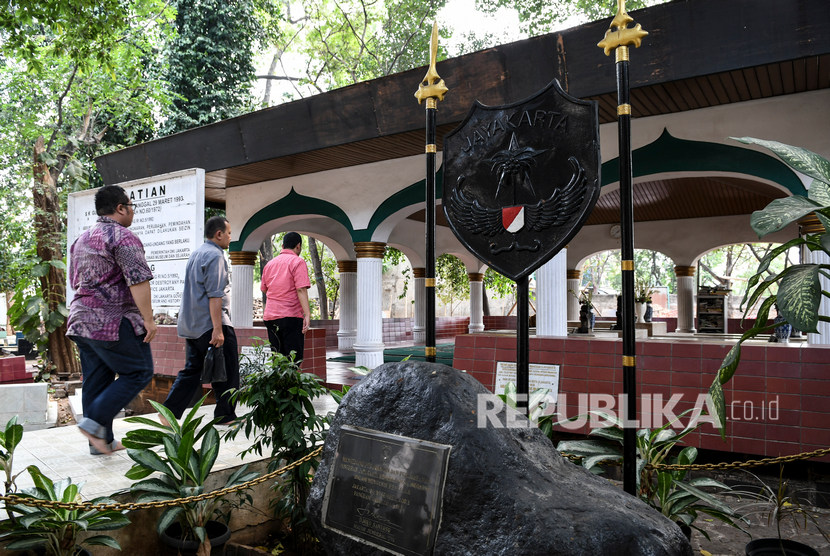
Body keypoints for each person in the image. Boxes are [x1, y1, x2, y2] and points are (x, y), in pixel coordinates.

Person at [66, 185, 156, 455]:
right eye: (131, 206)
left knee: (97, 377)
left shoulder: (81, 240)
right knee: (139, 371)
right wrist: (149, 321)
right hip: (112, 321)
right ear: (120, 208)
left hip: (80, 321)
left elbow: (74, 281)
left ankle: (101, 442)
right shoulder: (123, 237)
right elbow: (138, 280)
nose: (132, 212)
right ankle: (93, 423)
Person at [162, 216, 239, 425]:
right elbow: (215, 295)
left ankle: (168, 412)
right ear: (219, 234)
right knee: (229, 369)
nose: (231, 238)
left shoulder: (196, 254)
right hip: (211, 324)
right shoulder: (216, 256)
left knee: (192, 370)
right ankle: (225, 416)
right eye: (229, 233)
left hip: (191, 325)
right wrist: (218, 330)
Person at [261, 232, 311, 361]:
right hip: (290, 316)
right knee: (294, 359)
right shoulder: (297, 262)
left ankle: (280, 381)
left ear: (283, 245)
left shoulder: (269, 264)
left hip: (270, 317)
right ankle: (290, 382)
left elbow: (265, 289)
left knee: (278, 358)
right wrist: (307, 315)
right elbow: (301, 289)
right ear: (298, 246)